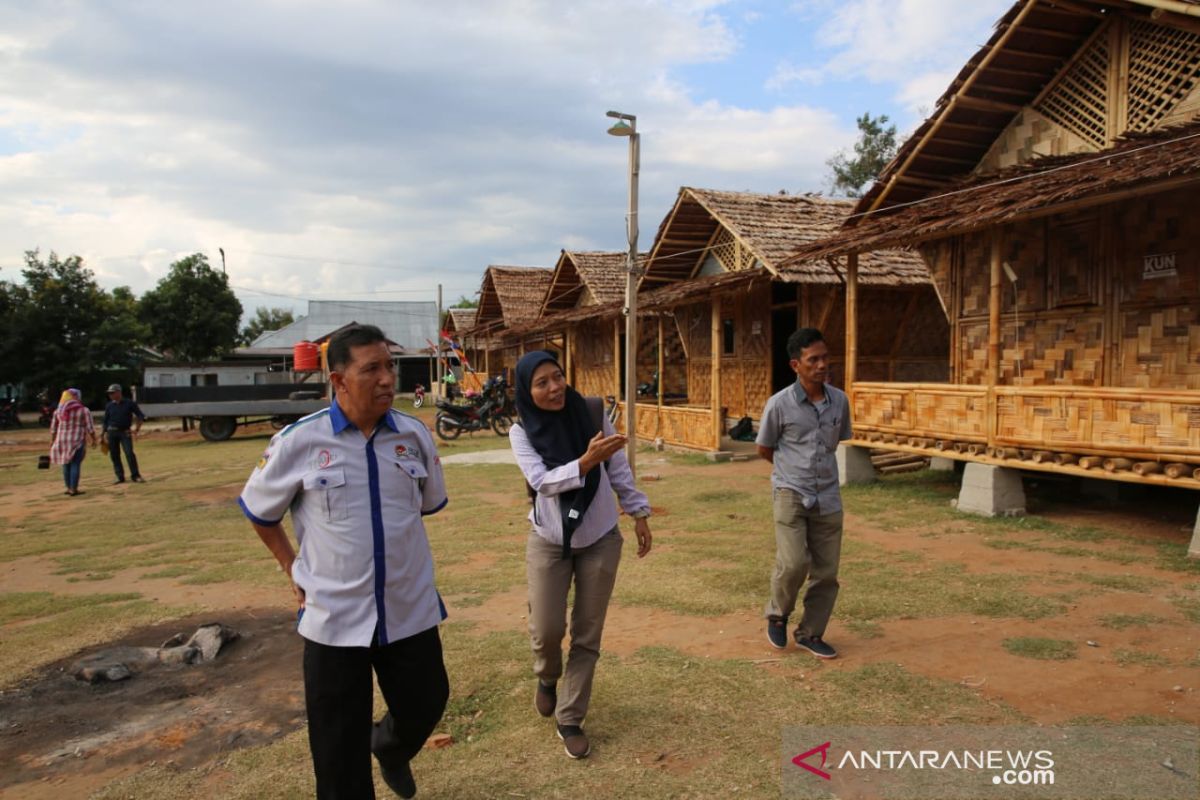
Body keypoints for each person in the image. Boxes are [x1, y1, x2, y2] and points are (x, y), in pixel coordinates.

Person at [239, 324, 449, 799]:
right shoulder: (299, 442)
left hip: (407, 610)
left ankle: (390, 748)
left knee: (426, 703)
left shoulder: (414, 436)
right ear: (338, 380)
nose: (387, 379)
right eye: (371, 369)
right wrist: (291, 566)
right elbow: (259, 510)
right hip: (333, 619)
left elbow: (425, 505)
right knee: (338, 757)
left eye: (389, 367)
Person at [510, 351, 653, 760]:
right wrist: (584, 463)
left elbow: (618, 466)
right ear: (526, 390)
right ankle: (547, 677)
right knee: (547, 628)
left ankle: (570, 717)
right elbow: (540, 481)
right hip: (550, 540)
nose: (555, 387)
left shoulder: (591, 413)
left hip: (601, 537)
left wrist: (638, 511)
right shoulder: (521, 433)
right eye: (542, 383)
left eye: (558, 377)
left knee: (587, 633)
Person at [756, 328, 852, 659]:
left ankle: (811, 633)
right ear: (796, 365)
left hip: (827, 495)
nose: (823, 364)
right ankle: (778, 615)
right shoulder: (779, 404)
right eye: (814, 359)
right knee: (794, 562)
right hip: (790, 492)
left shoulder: (839, 400)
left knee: (826, 573)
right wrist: (791, 471)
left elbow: (837, 441)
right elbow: (765, 447)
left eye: (825, 357)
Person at [49, 388, 97, 496]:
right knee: (75, 463)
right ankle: (73, 489)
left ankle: (68, 487)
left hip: (61, 441)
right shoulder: (84, 410)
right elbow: (90, 428)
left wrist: (52, 441)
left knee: (66, 464)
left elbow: (53, 428)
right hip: (77, 440)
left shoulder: (58, 411)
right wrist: (94, 439)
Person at [102, 383, 145, 484]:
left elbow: (140, 416)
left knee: (129, 453)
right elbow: (105, 421)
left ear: (119, 392)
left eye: (112, 393)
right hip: (112, 432)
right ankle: (119, 476)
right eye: (109, 393)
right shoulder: (109, 405)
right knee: (114, 455)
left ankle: (135, 475)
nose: (110, 395)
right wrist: (103, 434)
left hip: (124, 431)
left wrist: (136, 429)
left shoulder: (129, 403)